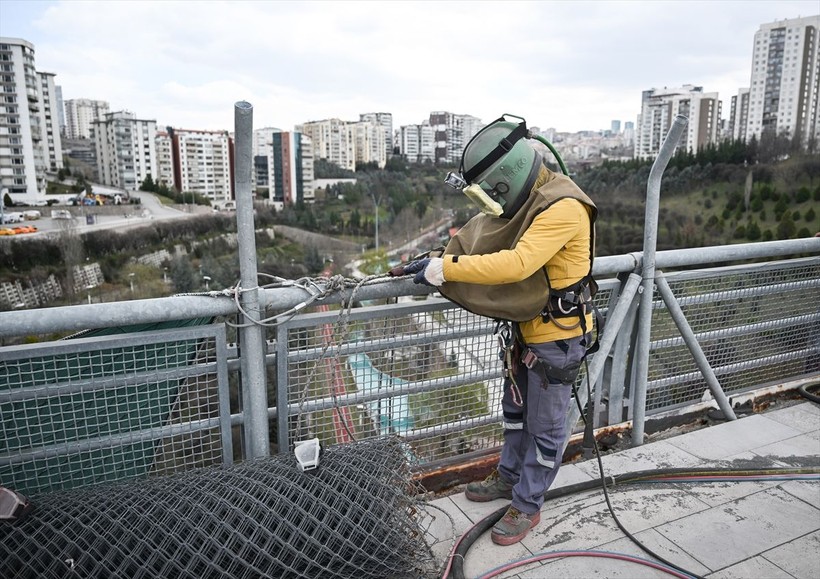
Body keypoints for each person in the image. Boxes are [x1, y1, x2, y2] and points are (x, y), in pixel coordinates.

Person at [403, 115, 598, 546]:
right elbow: (488, 236)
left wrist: (445, 268)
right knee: (515, 415)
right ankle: (509, 476)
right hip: (525, 331)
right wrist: (440, 256)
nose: (493, 200)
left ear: (509, 174)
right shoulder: (532, 200)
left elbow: (517, 263)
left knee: (546, 429)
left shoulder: (563, 206)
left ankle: (528, 505)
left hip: (556, 337)